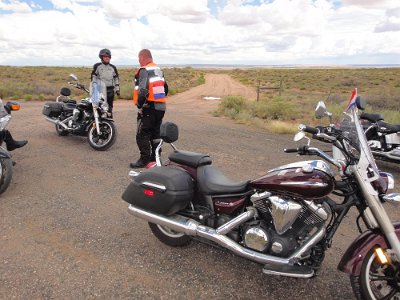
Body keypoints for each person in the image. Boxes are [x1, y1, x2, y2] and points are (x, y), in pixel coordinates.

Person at [130, 49, 168, 168]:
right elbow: (166, 89)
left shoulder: (145, 70)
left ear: (142, 57)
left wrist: (140, 105)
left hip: (149, 106)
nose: (139, 61)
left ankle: (144, 159)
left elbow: (143, 90)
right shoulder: (158, 70)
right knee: (156, 133)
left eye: (139, 59)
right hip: (161, 106)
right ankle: (155, 158)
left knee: (142, 133)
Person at [91, 48, 120, 117]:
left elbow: (116, 78)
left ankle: (109, 122)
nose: (107, 58)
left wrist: (117, 89)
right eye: (105, 57)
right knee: (100, 107)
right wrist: (94, 86)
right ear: (101, 57)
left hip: (110, 90)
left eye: (108, 57)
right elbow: (93, 77)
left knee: (109, 107)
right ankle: (100, 123)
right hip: (100, 90)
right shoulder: (97, 66)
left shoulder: (113, 67)